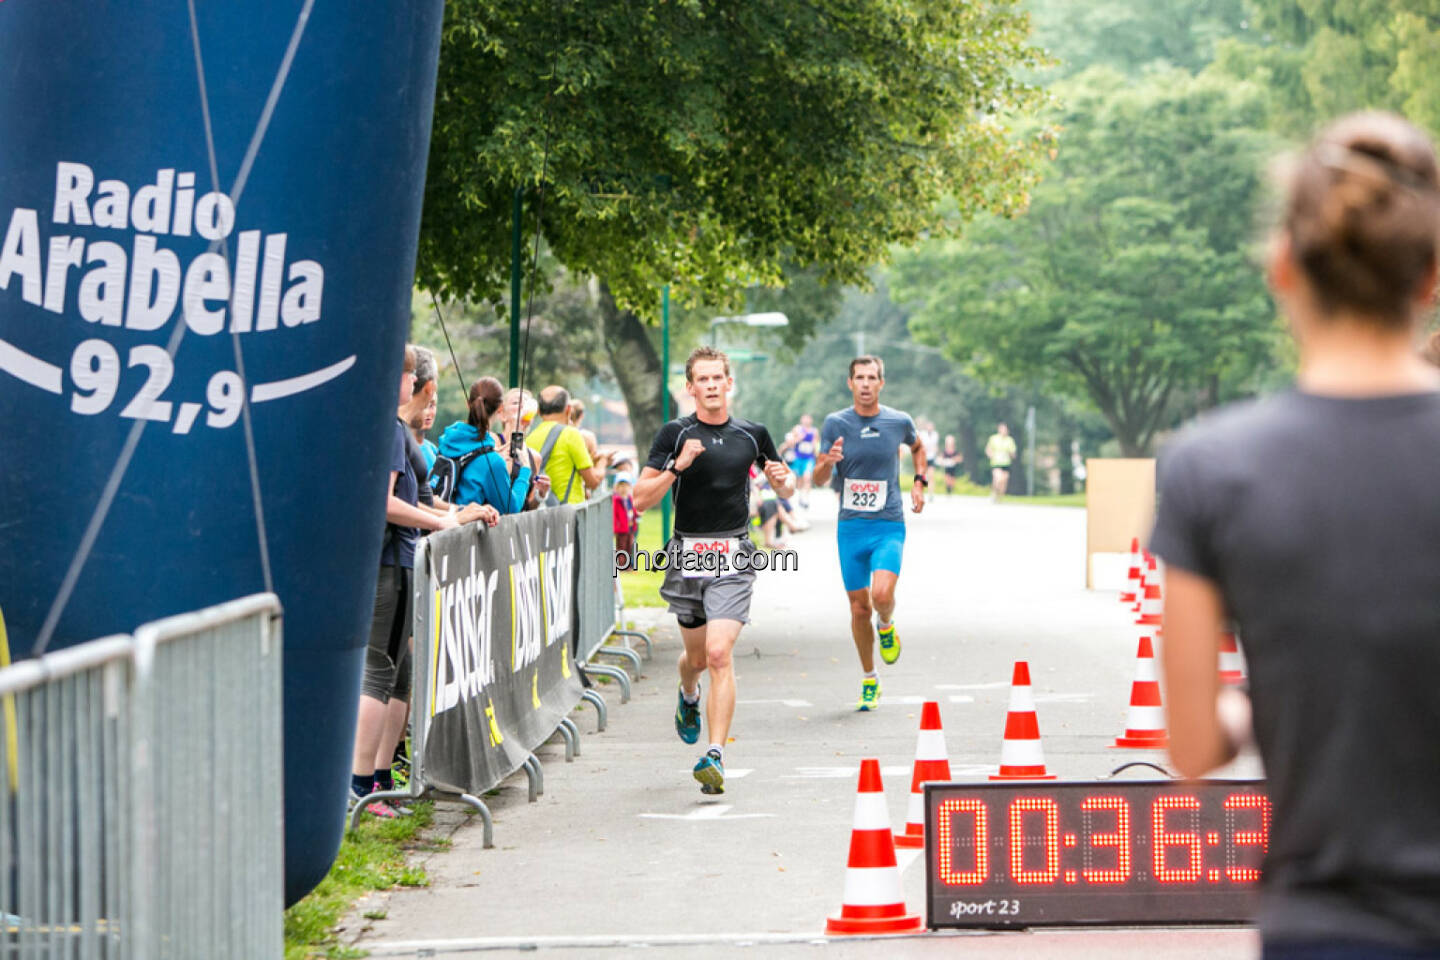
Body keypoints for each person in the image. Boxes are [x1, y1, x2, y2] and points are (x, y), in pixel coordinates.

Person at [1152, 112, 1440, 958]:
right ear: (1430, 278)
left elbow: (1194, 746)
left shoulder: (1210, 469)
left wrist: (1266, 696)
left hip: (1330, 928)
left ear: (1283, 267)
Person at [631, 346, 794, 794]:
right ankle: (688, 694)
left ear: (729, 382)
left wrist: (783, 481)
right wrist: (676, 468)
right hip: (688, 554)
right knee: (697, 659)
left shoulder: (752, 434)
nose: (710, 386)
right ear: (690, 387)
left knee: (720, 653)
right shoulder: (674, 433)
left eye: (717, 378)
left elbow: (785, 482)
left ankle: (716, 754)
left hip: (733, 555)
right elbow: (641, 498)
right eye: (701, 380)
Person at [351, 346, 461, 819]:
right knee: (379, 671)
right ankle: (359, 787)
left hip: (398, 560)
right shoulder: (386, 428)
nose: (414, 384)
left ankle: (377, 779)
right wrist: (439, 526)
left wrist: (455, 515)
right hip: (390, 561)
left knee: (398, 672)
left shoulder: (387, 426)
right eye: (409, 375)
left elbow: (415, 496)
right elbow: (388, 502)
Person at [813, 356, 927, 711]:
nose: (865, 384)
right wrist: (828, 462)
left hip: (888, 523)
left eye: (871, 377)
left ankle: (888, 623)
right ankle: (869, 679)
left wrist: (919, 481)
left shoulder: (898, 421)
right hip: (851, 528)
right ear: (850, 383)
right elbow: (816, 479)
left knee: (880, 594)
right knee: (859, 608)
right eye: (859, 378)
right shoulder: (835, 423)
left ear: (881, 383)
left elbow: (918, 447)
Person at [436, 377, 534, 515]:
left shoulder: (447, 441)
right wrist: (525, 470)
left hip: (439, 524)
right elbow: (511, 508)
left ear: (468, 404)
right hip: (467, 532)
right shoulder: (492, 462)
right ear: (500, 409)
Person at [526, 386, 610, 505]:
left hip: (541, 513)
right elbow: (593, 482)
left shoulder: (529, 439)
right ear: (569, 409)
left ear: (538, 411)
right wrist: (603, 461)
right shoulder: (571, 434)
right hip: (569, 512)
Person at [784, 414, 819, 509]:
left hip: (809, 458)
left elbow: (816, 444)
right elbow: (790, 443)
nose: (806, 421)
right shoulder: (797, 429)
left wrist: (817, 455)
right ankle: (800, 496)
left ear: (811, 420)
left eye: (808, 419)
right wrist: (799, 438)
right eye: (804, 419)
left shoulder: (814, 431)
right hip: (798, 457)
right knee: (799, 479)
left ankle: (806, 498)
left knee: (807, 477)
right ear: (801, 420)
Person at [984, 422, 1017, 501]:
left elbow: (1013, 452)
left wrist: (1012, 454)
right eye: (1002, 429)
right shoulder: (993, 438)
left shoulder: (1010, 440)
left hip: (1006, 463)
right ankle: (994, 492)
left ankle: (1000, 496)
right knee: (998, 478)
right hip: (996, 462)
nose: (1004, 431)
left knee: (1004, 481)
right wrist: (990, 454)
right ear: (999, 430)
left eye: (1005, 429)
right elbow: (988, 449)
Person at [611, 472, 639, 565]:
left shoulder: (630, 499)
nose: (623, 488)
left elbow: (633, 511)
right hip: (621, 529)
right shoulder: (616, 500)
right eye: (621, 486)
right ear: (616, 487)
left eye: (626, 486)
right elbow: (614, 515)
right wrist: (615, 528)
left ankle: (629, 565)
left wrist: (637, 515)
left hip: (630, 528)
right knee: (621, 547)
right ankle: (622, 565)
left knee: (629, 546)